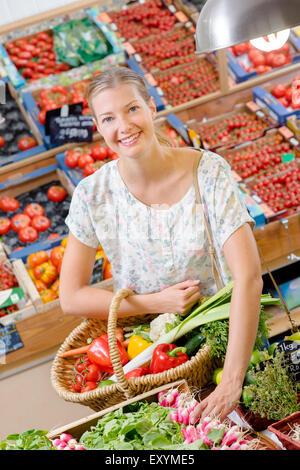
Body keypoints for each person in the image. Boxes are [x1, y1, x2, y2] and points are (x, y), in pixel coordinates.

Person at [59, 67, 263, 422]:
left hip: (225, 344)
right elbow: (71, 296)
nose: (123, 126)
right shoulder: (93, 196)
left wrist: (231, 380)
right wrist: (156, 302)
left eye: (132, 109)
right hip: (149, 363)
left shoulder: (208, 171)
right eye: (108, 118)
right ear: (97, 126)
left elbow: (249, 278)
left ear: (151, 107)